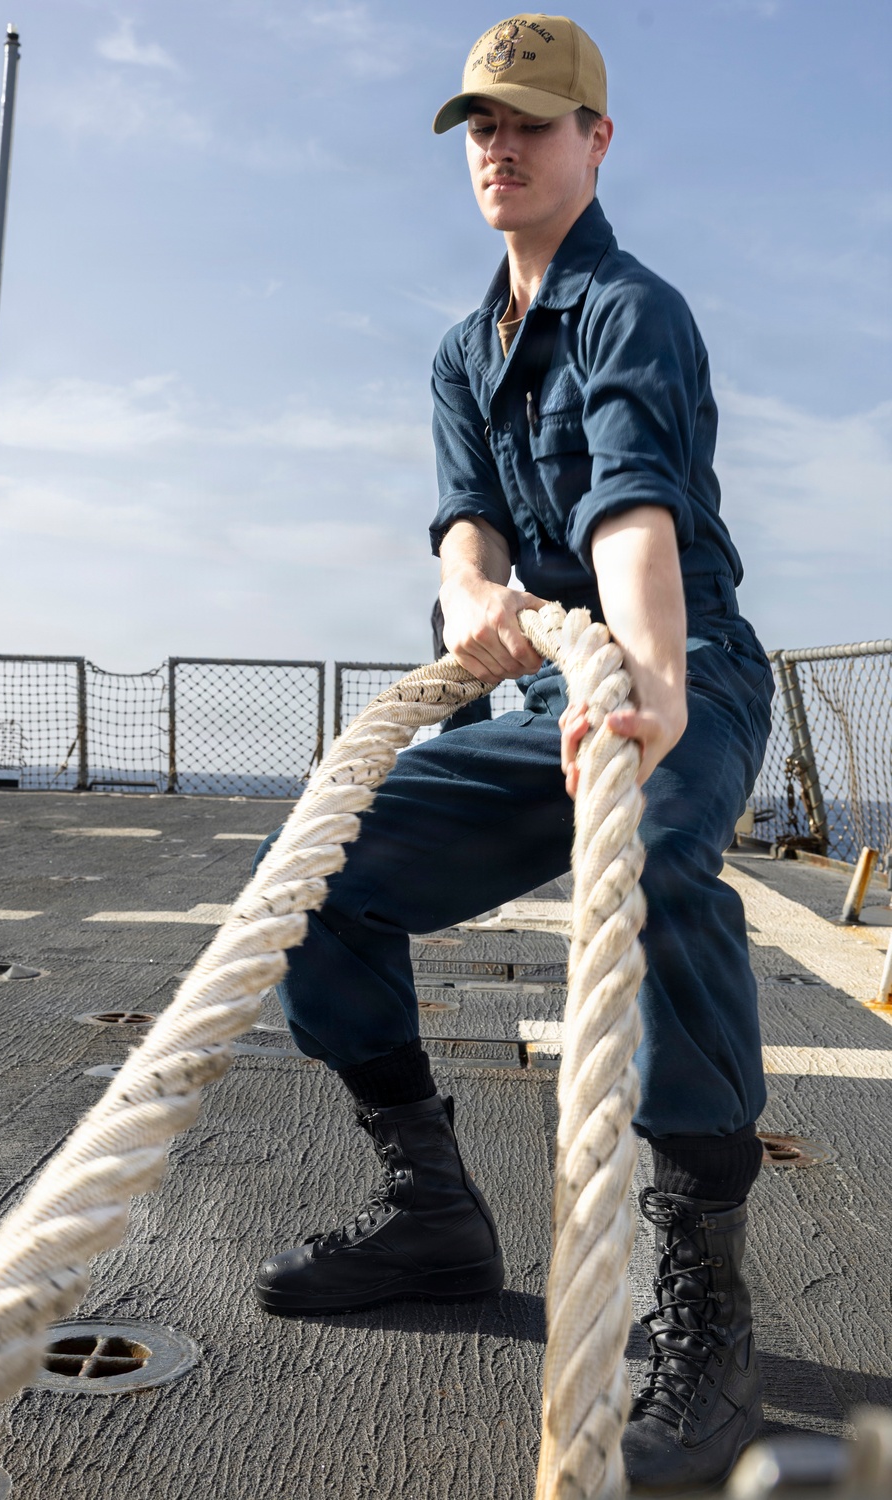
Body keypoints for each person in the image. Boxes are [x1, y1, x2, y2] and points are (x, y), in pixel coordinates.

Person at [253, 16, 773, 1491]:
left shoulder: (631, 309)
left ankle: (709, 1323)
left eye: (533, 123)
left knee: (663, 861)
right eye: (481, 123)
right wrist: (474, 594)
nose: (501, 145)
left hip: (690, 665)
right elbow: (469, 523)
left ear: (597, 142)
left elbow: (633, 511)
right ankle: (431, 1211)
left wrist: (653, 686)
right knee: (319, 869)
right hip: (542, 690)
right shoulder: (456, 351)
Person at [430, 598, 494, 731]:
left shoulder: (458, 602)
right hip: (460, 692)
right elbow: (448, 647)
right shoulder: (451, 602)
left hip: (475, 689)